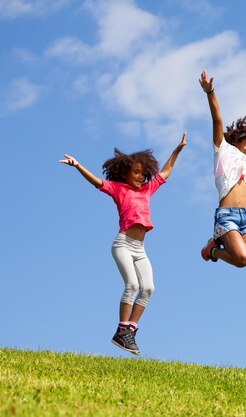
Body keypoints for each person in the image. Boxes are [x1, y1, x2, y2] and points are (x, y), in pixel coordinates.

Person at [59, 133, 186, 354]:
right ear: (125, 173)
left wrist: (176, 151)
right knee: (133, 285)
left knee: (148, 288)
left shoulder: (148, 189)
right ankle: (121, 330)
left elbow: (165, 172)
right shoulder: (118, 189)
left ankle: (130, 330)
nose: (140, 176)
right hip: (123, 245)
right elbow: (97, 182)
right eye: (136, 172)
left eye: (142, 173)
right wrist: (78, 165)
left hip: (140, 248)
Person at [198, 70, 246, 268]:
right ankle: (212, 248)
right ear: (236, 141)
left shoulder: (245, 161)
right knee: (242, 260)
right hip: (227, 215)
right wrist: (210, 91)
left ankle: (219, 245)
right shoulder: (222, 150)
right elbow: (217, 120)